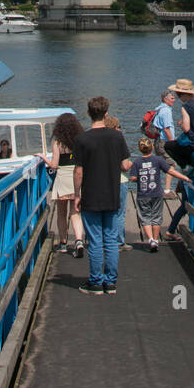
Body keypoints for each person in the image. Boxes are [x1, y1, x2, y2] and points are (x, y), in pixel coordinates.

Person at [73, 96, 131, 295]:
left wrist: (76, 194)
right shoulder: (117, 137)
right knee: (111, 239)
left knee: (95, 240)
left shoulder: (82, 139)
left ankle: (96, 282)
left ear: (89, 114)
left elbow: (78, 171)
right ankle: (111, 282)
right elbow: (125, 165)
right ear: (106, 114)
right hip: (112, 194)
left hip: (91, 195)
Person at [129, 138, 190, 250]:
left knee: (145, 217)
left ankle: (151, 239)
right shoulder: (158, 160)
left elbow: (132, 178)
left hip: (143, 194)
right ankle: (156, 240)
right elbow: (170, 171)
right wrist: (184, 177)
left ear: (140, 149)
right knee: (156, 216)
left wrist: (140, 178)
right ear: (152, 147)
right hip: (156, 193)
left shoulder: (136, 162)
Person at [45, 111, 85, 257]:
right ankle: (79, 240)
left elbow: (54, 165)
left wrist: (44, 158)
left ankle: (63, 243)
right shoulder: (80, 141)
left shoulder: (58, 143)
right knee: (75, 212)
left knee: (61, 214)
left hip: (62, 179)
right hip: (76, 178)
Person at [104, 116, 131, 252]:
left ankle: (106, 239)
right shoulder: (119, 141)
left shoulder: (100, 141)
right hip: (120, 180)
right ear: (115, 128)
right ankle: (119, 241)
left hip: (104, 181)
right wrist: (132, 164)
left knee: (106, 212)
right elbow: (125, 166)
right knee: (119, 213)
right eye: (118, 127)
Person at [152, 89, 176, 195]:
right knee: (171, 164)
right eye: (172, 98)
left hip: (157, 141)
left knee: (159, 164)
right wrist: (173, 143)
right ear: (165, 99)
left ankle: (156, 187)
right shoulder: (166, 111)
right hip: (164, 142)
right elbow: (166, 129)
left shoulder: (159, 109)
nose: (174, 100)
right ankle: (166, 190)